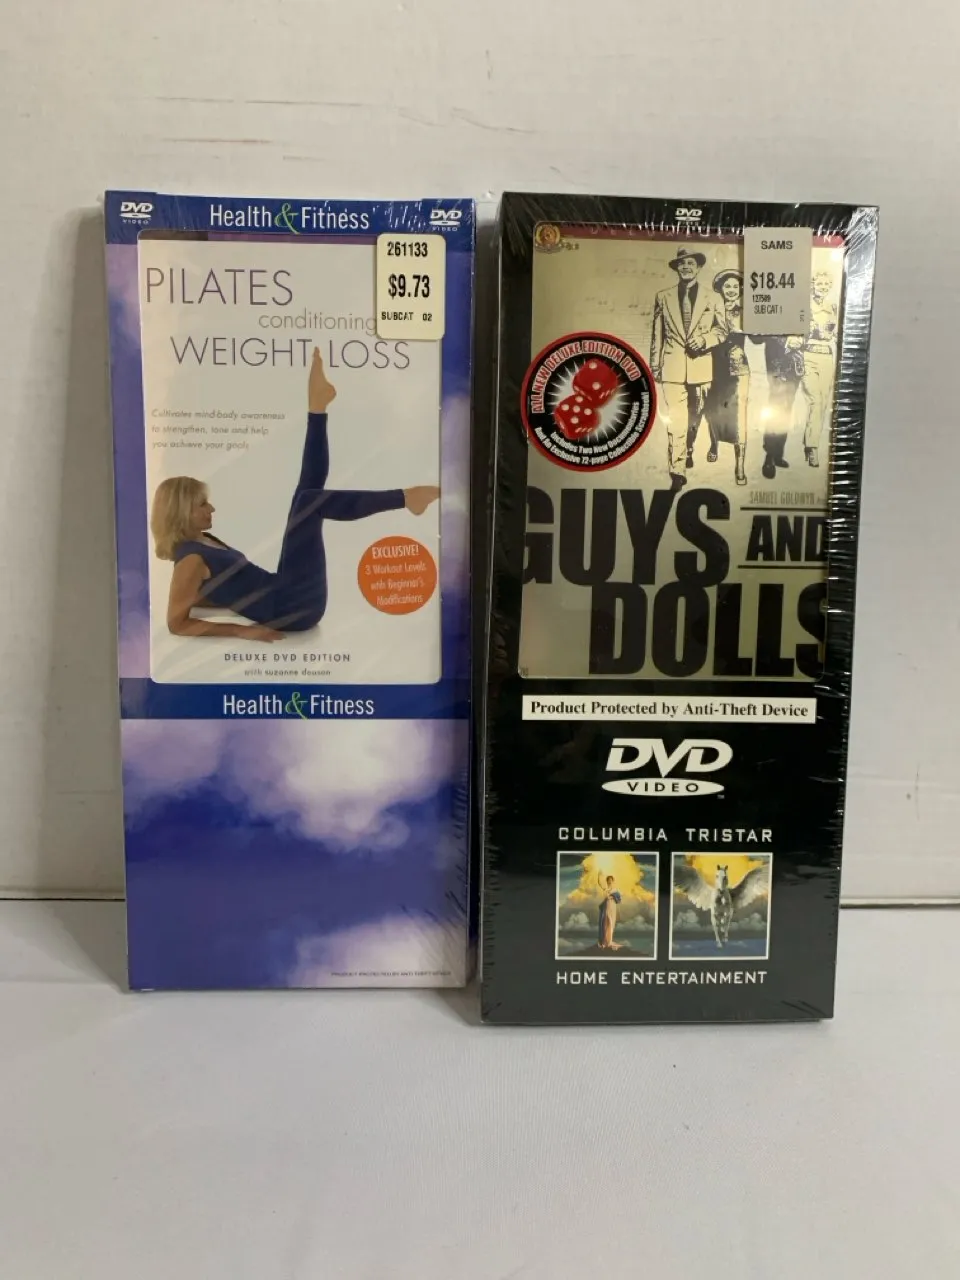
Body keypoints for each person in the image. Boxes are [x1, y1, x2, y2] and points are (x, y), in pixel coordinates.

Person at [151, 348, 439, 640]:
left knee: (307, 492)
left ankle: (318, 407)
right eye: (202, 504)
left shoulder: (201, 541)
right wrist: (243, 631)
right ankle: (405, 498)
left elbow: (211, 590)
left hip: (286, 592)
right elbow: (177, 623)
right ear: (181, 512)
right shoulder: (190, 559)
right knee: (309, 502)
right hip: (293, 608)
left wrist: (224, 603)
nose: (211, 509)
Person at [650, 246, 727, 491]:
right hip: (672, 367)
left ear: (699, 267)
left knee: (696, 415)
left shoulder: (713, 297)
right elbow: (657, 333)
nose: (686, 267)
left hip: (701, 367)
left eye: (690, 263)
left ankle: (689, 447)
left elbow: (722, 330)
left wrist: (704, 340)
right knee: (677, 420)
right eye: (681, 264)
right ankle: (677, 470)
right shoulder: (663, 296)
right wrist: (655, 365)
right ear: (676, 268)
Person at [706, 268, 750, 486]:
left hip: (738, 367)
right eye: (727, 286)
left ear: (740, 289)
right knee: (712, 411)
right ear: (720, 289)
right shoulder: (710, 310)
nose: (731, 290)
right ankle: (714, 443)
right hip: (713, 367)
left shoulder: (747, 311)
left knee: (739, 415)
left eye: (735, 286)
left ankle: (739, 465)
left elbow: (757, 338)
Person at [800, 271, 838, 467]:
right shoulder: (804, 306)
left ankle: (810, 442)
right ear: (812, 285)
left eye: (826, 284)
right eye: (819, 283)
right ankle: (812, 447)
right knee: (815, 399)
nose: (823, 287)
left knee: (822, 403)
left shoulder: (833, 307)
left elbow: (837, 334)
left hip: (827, 358)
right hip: (808, 356)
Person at [754, 333, 805, 479]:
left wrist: (801, 340)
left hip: (795, 363)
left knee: (786, 409)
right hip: (777, 362)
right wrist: (786, 340)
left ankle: (777, 454)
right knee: (777, 408)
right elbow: (757, 337)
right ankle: (770, 455)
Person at [597, 873, 623, 950]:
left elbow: (619, 899)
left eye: (611, 880)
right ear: (607, 881)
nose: (609, 881)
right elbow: (599, 883)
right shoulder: (606, 889)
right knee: (606, 922)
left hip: (613, 906)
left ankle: (609, 941)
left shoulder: (615, 890)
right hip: (607, 906)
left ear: (613, 881)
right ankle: (605, 941)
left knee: (611, 923)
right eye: (608, 880)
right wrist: (599, 876)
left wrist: (612, 897)